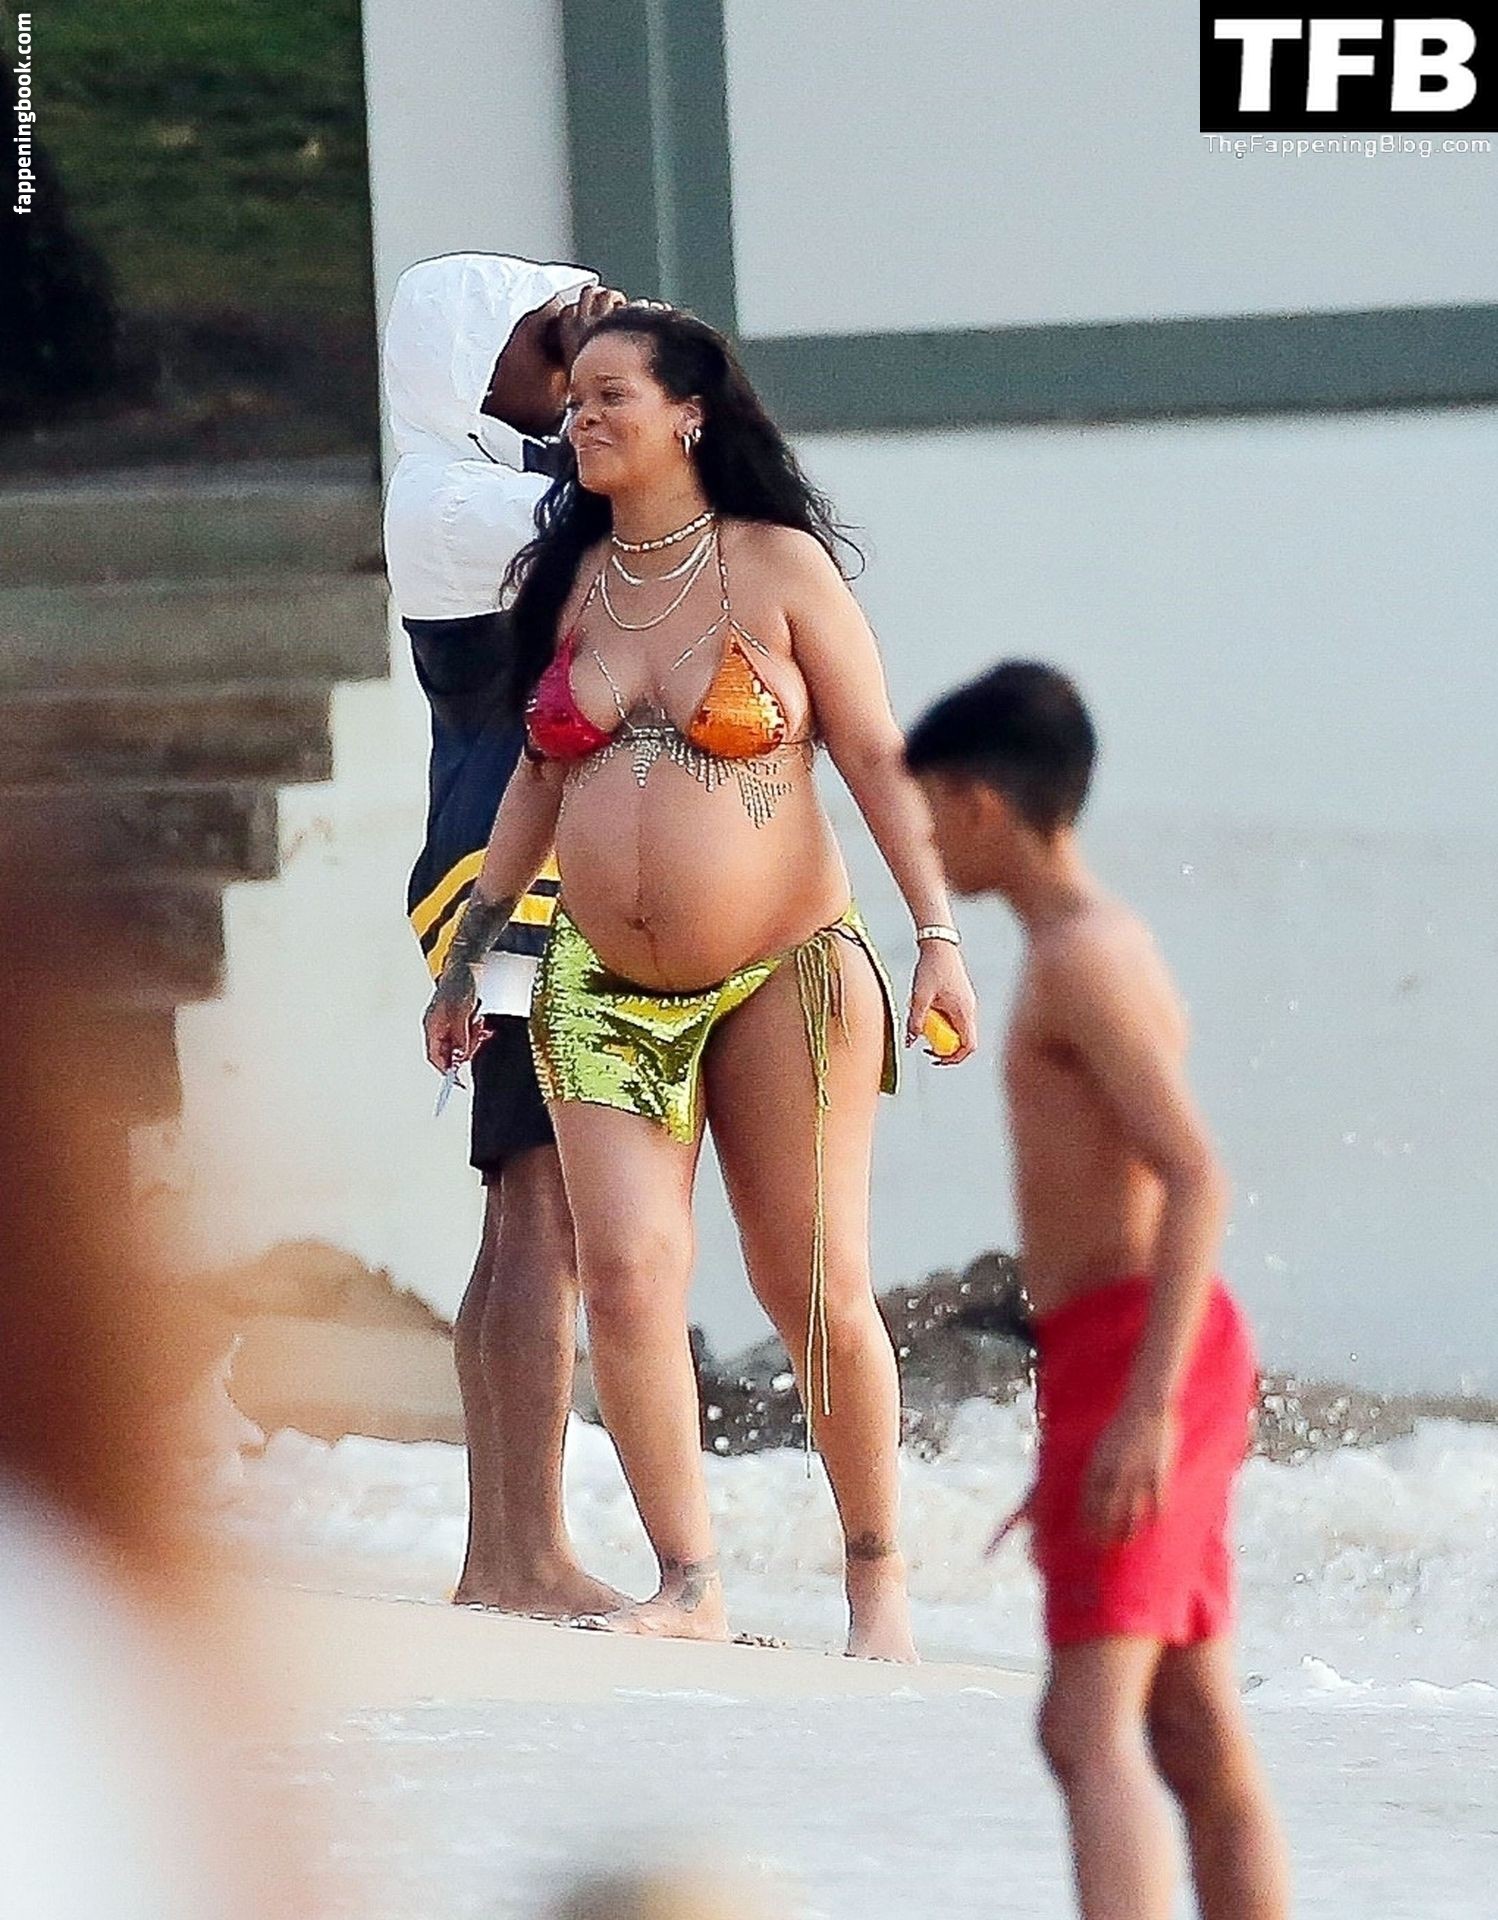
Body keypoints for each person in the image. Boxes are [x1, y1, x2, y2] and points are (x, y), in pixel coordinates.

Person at [424, 304, 978, 1658]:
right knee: (623, 1275)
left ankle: (876, 1588)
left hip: (786, 973)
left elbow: (874, 757)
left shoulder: (777, 566)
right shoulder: (568, 581)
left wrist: (937, 937)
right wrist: (472, 953)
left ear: (689, 414)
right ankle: (688, 1584)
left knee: (812, 1289)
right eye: (573, 400)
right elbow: (535, 781)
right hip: (597, 982)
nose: (581, 418)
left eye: (610, 394)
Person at [905, 663, 1289, 1919]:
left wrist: (1143, 1407)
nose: (922, 841)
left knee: (1083, 1730)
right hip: (1115, 1346)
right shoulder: (1093, 945)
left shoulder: (1081, 958)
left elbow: (1196, 1175)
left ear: (978, 804)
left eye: (927, 810)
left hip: (1140, 1348)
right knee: (1187, 1728)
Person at [382, 253, 626, 1615]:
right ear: (475, 366)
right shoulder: (453, 499)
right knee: (547, 1198)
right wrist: (629, 369)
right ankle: (523, 1556)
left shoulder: (472, 482)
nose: (571, 370)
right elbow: (645, 500)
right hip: (507, 875)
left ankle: (502, 1554)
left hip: (497, 865)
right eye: (549, 341)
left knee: (522, 1197)